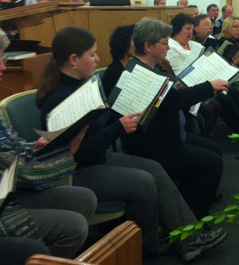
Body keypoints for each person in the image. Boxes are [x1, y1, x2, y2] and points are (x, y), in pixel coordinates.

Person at [36, 26, 227, 261]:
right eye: (93, 54)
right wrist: (118, 126)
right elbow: (79, 153)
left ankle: (188, 237)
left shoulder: (81, 84)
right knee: (145, 181)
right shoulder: (60, 99)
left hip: (99, 158)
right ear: (74, 60)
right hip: (77, 171)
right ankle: (150, 246)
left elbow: (98, 126)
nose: (98, 59)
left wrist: (128, 106)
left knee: (154, 169)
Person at [0, 16, 99, 259]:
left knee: (83, 198)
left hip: (2, 188)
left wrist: (35, 146)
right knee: (73, 227)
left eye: (2, 58)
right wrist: (66, 153)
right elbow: (14, 169)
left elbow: (9, 144)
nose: (2, 67)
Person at [122, 18, 227, 219]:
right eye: (164, 43)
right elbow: (174, 100)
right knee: (212, 164)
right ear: (147, 46)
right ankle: (189, 223)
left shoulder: (148, 67)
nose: (169, 48)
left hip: (166, 140)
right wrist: (209, 86)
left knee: (212, 156)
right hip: (157, 148)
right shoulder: (142, 73)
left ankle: (183, 213)